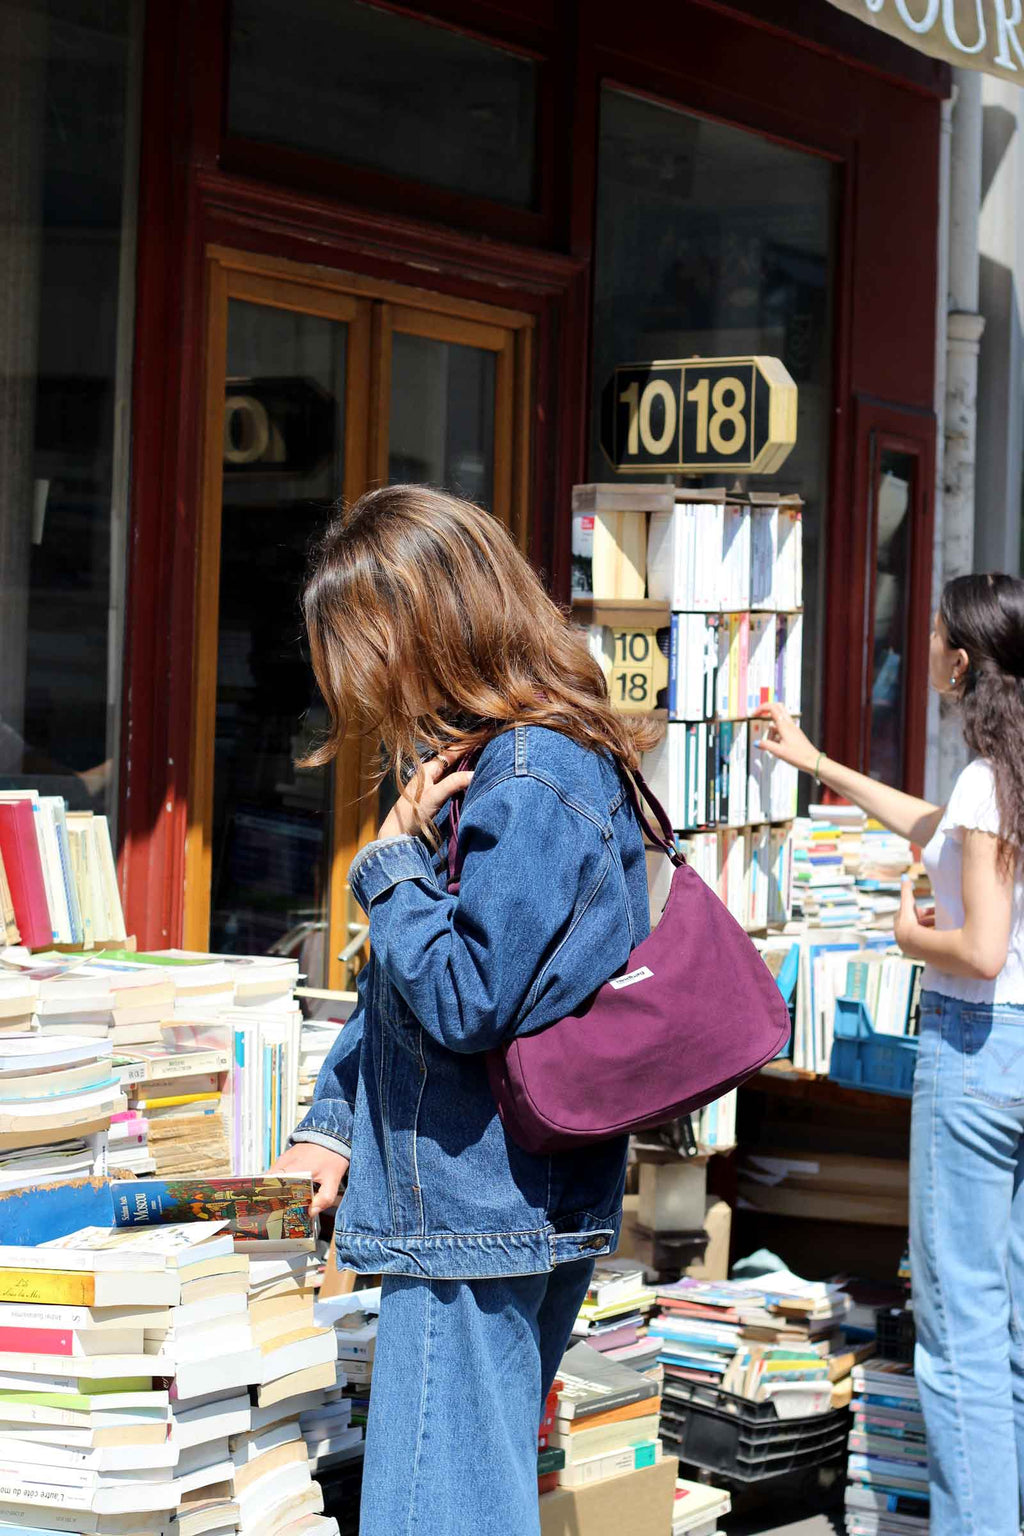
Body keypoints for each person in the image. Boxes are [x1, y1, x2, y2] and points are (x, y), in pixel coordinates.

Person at [271, 485, 657, 1536]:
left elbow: (462, 995)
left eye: (361, 653)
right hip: (486, 1203)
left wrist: (389, 867)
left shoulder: (530, 773)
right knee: (458, 1500)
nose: (358, 690)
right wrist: (333, 1123)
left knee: (436, 1512)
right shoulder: (510, 761)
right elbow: (412, 996)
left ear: (426, 632)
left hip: (479, 1209)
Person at [757, 573, 1024, 1536]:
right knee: (1018, 1334)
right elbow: (939, 829)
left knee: (960, 1336)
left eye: (935, 639)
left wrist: (910, 938)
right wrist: (821, 761)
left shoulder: (987, 779)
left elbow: (983, 949)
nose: (924, 654)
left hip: (980, 1046)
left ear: (962, 663)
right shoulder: (1003, 781)